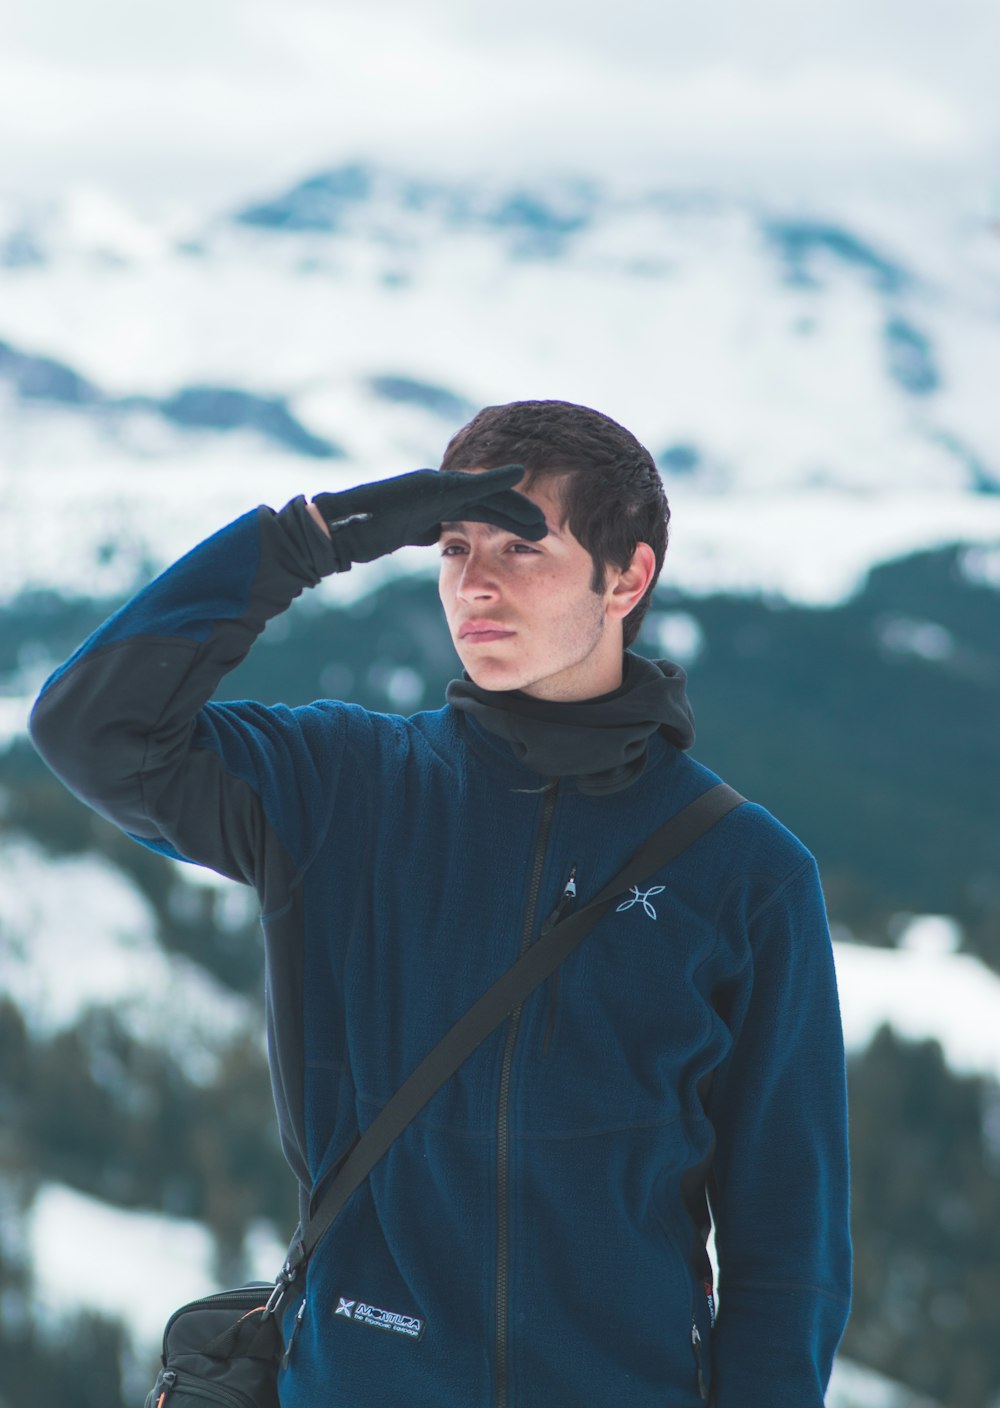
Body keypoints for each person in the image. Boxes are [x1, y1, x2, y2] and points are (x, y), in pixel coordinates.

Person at [29, 398, 851, 1407]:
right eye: (453, 545)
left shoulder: (746, 872)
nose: (476, 582)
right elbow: (89, 731)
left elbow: (788, 1249)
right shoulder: (342, 786)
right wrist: (308, 539)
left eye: (521, 546)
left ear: (625, 577)